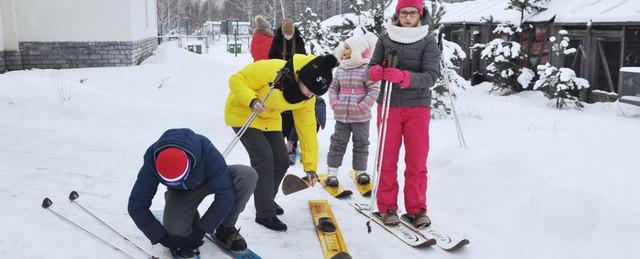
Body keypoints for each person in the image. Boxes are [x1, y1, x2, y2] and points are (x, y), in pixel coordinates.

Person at [225, 54, 338, 231]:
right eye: (309, 89)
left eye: (315, 93)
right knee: (263, 158)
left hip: (269, 119)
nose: (310, 94)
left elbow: (307, 129)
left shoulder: (307, 98)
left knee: (281, 160)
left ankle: (267, 199)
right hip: (244, 113)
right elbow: (236, 80)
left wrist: (310, 166)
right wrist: (252, 100)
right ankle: (264, 213)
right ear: (302, 77)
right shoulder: (273, 70)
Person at [128, 128, 258, 258]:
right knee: (176, 232)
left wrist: (203, 228)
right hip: (181, 193)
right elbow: (136, 205)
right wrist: (161, 237)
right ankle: (189, 218)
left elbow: (225, 194)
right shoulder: (152, 159)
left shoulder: (205, 148)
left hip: (210, 179)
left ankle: (225, 228)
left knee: (247, 175)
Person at [367, 0, 440, 228]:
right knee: (386, 158)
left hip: (417, 107)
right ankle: (387, 207)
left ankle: (417, 209)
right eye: (403, 12)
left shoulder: (428, 40)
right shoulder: (385, 37)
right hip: (389, 106)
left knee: (417, 159)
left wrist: (404, 78)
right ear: (397, 15)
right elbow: (371, 68)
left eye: (413, 12)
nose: (408, 17)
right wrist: (376, 71)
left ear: (420, 15)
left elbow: (431, 76)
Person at [325, 32, 380, 187]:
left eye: (348, 48)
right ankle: (332, 172)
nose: (344, 50)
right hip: (341, 114)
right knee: (338, 142)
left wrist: (363, 106)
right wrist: (335, 102)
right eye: (345, 47)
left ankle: (360, 171)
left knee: (361, 143)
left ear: (357, 51)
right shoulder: (341, 68)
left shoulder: (366, 69)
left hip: (361, 117)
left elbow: (374, 90)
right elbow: (333, 87)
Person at [268, 18, 311, 164]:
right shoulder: (277, 40)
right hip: (280, 77)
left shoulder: (298, 40)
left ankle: (292, 144)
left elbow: (303, 57)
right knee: (281, 110)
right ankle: (280, 145)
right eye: (286, 34)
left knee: (293, 110)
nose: (288, 37)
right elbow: (271, 57)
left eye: (290, 34)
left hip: (294, 77)